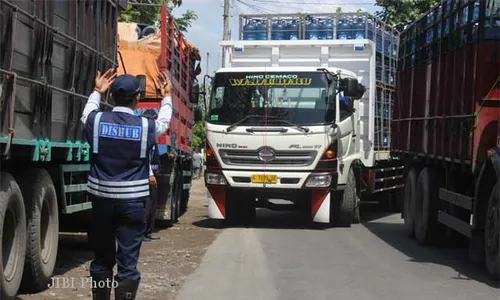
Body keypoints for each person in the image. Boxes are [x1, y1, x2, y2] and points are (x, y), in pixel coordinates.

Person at [80, 69, 172, 300]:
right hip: (132, 205)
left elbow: (87, 113)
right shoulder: (145, 126)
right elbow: (163, 123)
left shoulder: (97, 120)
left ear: (110, 96)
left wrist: (95, 91)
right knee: (128, 263)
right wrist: (167, 96)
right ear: (138, 98)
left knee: (102, 260)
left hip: (101, 203)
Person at [144, 143, 160, 241]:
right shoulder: (146, 140)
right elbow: (146, 158)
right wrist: (150, 174)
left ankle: (149, 231)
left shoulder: (154, 142)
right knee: (146, 206)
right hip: (147, 177)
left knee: (153, 205)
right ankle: (142, 232)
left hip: (154, 174)